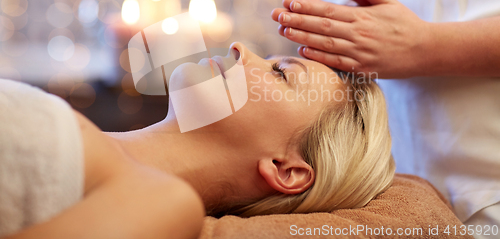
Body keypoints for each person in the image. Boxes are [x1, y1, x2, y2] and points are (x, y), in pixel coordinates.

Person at [0, 42, 395, 239]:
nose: (240, 47)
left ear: (286, 169)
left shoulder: (164, 202)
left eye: (280, 73)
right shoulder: (86, 133)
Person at [271, 0, 500, 236]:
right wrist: (343, 21)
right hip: (401, 159)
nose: (240, 54)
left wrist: (425, 45)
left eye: (279, 72)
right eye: (279, 72)